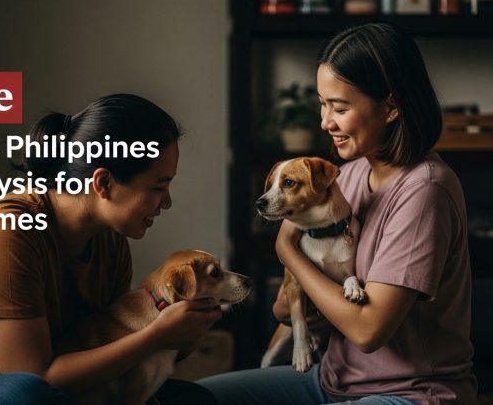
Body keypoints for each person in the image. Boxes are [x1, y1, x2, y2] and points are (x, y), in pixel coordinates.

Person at [198, 23, 477, 404]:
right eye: (322, 104)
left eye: (340, 108)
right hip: (331, 380)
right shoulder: (349, 175)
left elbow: (367, 331)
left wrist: (288, 251)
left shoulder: (424, 190)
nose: (325, 122)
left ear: (391, 107)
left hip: (408, 393)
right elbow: (284, 310)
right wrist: (298, 303)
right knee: (188, 398)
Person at [0, 94, 221, 404]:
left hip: (50, 389)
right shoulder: (4, 232)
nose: (167, 202)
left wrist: (181, 335)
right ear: (103, 183)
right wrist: (155, 336)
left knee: (193, 400)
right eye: (158, 187)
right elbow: (35, 378)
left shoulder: (110, 237)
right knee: (28, 394)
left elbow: (110, 346)